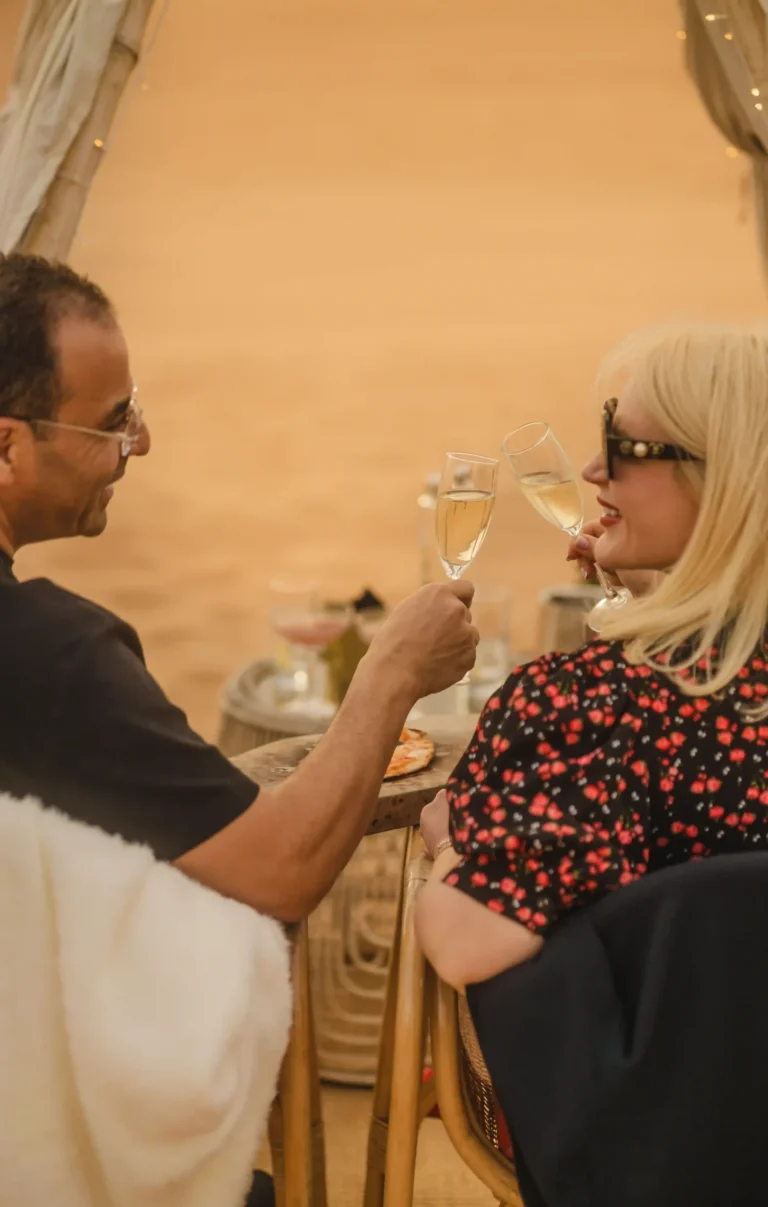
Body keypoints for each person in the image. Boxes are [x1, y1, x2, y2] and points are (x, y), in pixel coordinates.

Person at [0, 251, 478, 921]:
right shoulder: (47, 656)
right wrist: (393, 669)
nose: (140, 443)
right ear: (7, 449)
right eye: (112, 421)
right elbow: (276, 869)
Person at [416, 321, 768, 989]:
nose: (592, 469)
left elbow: (466, 943)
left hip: (652, 1087)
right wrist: (657, 591)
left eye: (623, 446)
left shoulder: (589, 710)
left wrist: (448, 849)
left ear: (719, 480)